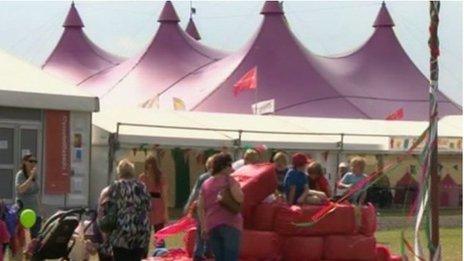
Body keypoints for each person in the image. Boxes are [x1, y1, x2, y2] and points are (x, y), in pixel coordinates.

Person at [198, 153, 243, 261]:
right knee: (230, 257)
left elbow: (200, 207)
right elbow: (240, 198)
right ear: (224, 166)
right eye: (230, 165)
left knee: (219, 257)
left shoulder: (206, 183)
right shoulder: (229, 180)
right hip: (230, 223)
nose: (231, 168)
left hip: (212, 225)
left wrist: (203, 227)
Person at [105, 159, 151, 261]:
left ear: (119, 172)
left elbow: (110, 209)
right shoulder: (142, 186)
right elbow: (149, 207)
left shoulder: (116, 186)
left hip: (121, 232)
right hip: (140, 231)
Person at [183, 155, 216, 261]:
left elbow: (195, 192)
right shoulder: (217, 177)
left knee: (201, 229)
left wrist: (189, 205)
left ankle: (200, 252)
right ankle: (206, 251)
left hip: (202, 206)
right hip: (211, 208)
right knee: (210, 230)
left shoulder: (203, 177)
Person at [139, 155, 169, 233]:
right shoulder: (142, 177)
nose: (150, 166)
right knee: (145, 232)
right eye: (148, 164)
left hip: (158, 205)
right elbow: (139, 194)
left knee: (159, 233)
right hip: (146, 206)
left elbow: (164, 195)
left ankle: (160, 245)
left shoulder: (160, 177)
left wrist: (165, 212)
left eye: (151, 164)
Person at [15, 154, 42, 239]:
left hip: (35, 211)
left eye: (35, 162)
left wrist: (41, 209)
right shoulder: (20, 174)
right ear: (24, 162)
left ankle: (33, 252)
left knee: (35, 237)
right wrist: (30, 177)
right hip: (23, 211)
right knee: (22, 237)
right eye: (31, 161)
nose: (33, 163)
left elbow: (36, 193)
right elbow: (21, 189)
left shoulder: (35, 175)